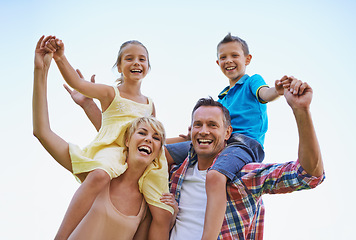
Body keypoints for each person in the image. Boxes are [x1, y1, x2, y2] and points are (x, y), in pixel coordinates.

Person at [37, 36, 173, 239]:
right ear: (118, 66)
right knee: (100, 175)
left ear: (148, 66)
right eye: (129, 58)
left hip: (132, 153)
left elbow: (151, 137)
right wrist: (60, 58)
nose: (136, 62)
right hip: (113, 149)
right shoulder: (111, 93)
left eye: (142, 59)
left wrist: (189, 139)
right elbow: (77, 82)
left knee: (162, 207)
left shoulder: (149, 105)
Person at [165, 33, 293, 238]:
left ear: (247, 59)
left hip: (242, 144)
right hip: (220, 144)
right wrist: (154, 138)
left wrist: (277, 91)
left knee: (215, 175)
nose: (229, 61)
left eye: (235, 55)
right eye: (223, 57)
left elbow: (265, 94)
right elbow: (209, 133)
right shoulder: (222, 98)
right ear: (218, 62)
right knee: (161, 155)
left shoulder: (252, 82)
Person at [168, 78, 325, 239]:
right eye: (198, 124)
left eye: (212, 125)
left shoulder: (243, 177)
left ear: (228, 133)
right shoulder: (174, 174)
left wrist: (302, 111)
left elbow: (307, 174)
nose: (203, 131)